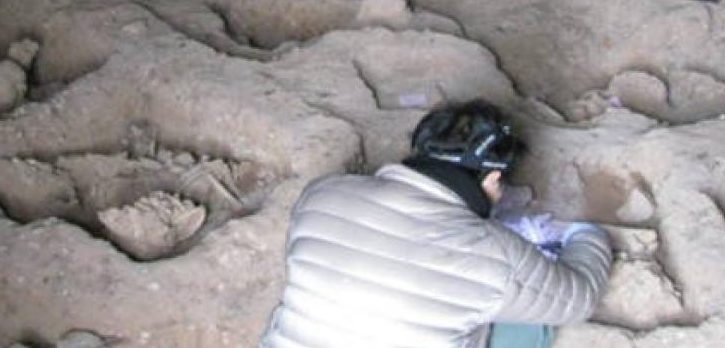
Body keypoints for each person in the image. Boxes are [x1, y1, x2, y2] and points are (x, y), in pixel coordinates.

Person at [259, 100, 613, 347]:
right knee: (526, 327)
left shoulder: (323, 194)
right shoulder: (494, 252)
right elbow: (578, 299)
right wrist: (587, 235)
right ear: (492, 178)